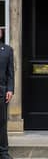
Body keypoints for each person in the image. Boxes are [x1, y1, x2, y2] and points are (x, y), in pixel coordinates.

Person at [0, 28, 14, 159]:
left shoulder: (8, 50)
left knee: (2, 122)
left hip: (1, 90)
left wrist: (10, 89)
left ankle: (3, 151)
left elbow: (10, 73)